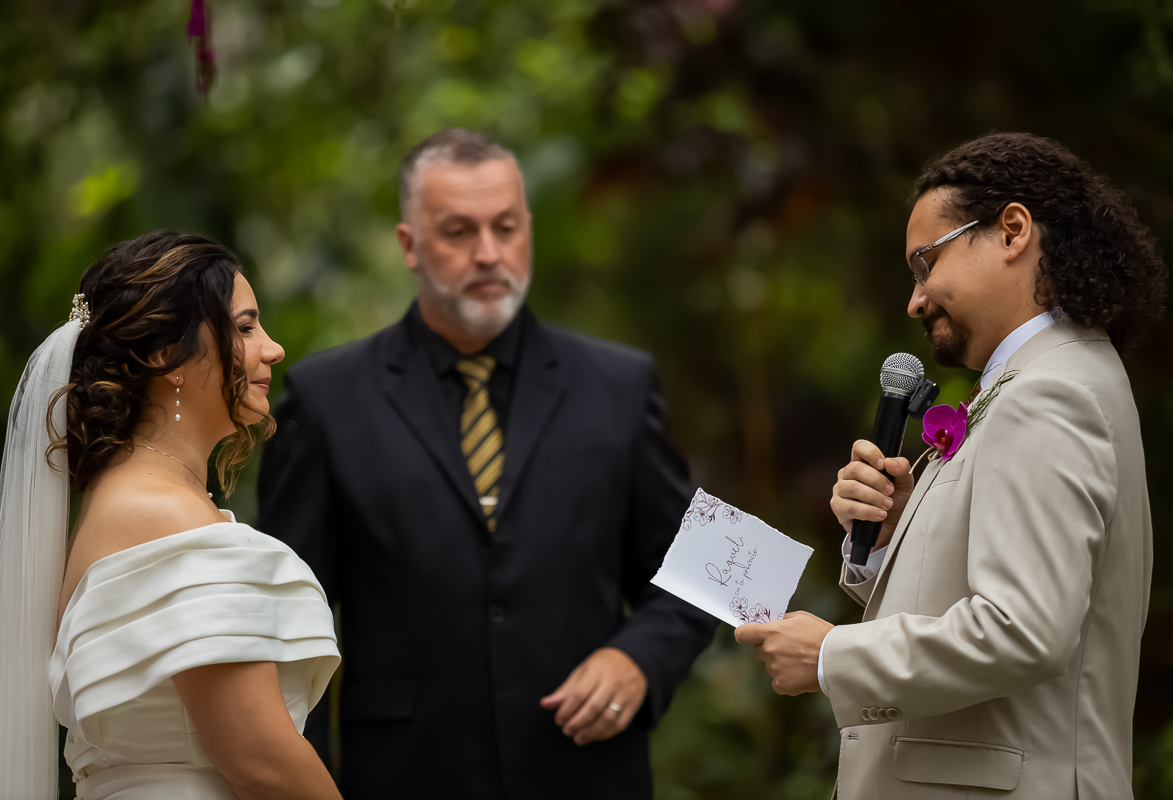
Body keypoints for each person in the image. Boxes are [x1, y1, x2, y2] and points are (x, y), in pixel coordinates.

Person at [257, 128, 717, 799]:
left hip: (586, 775)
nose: (489, 254)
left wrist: (639, 658)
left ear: (527, 227)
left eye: (506, 227)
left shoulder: (620, 384)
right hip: (405, 777)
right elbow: (288, 629)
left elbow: (702, 570)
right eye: (458, 232)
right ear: (410, 245)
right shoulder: (325, 399)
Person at [735, 132, 1164, 799]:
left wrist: (830, 656)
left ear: (1011, 231)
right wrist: (889, 538)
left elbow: (1021, 631)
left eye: (925, 263)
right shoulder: (1049, 380)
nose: (916, 298)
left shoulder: (1049, 394)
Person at [0, 232, 342, 799]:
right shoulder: (163, 516)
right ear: (165, 355)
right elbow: (263, 761)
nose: (273, 349)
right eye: (245, 328)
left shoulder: (122, 500)